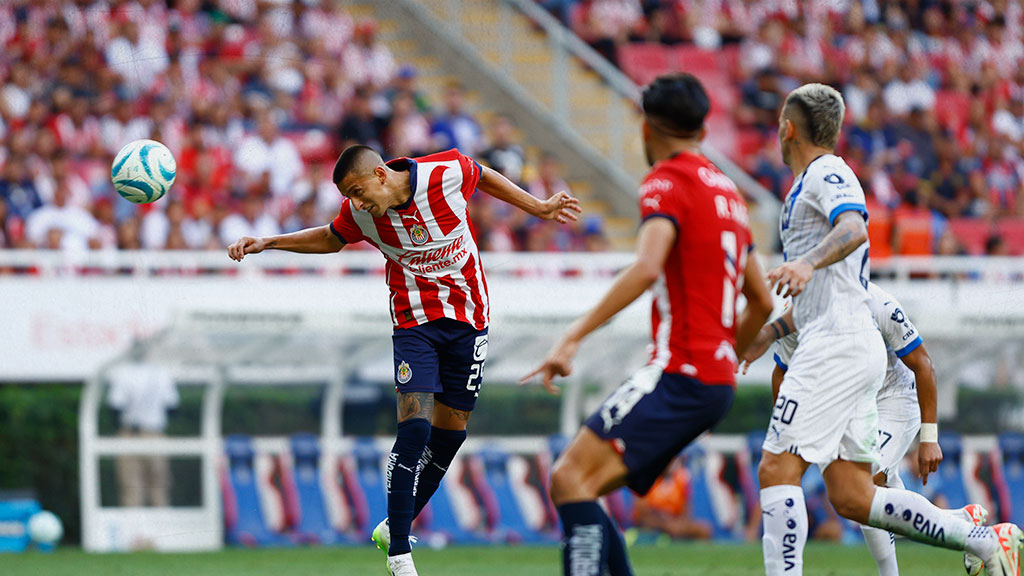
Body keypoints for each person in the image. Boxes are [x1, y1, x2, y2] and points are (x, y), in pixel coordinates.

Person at [227, 145, 580, 576]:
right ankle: (399, 554)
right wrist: (269, 242)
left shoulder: (444, 174)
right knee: (414, 427)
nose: (356, 203)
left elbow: (482, 175)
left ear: (380, 174)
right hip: (415, 325)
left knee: (450, 437)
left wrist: (539, 207)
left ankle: (390, 526)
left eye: (357, 191)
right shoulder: (361, 214)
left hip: (469, 319)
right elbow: (329, 238)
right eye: (349, 197)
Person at [756, 82, 1021, 576]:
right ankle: (980, 539)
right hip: (843, 345)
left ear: (788, 128)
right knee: (855, 495)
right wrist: (768, 334)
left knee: (776, 470)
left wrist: (807, 262)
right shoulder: (807, 184)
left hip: (836, 345)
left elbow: (855, 227)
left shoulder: (826, 172)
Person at [521, 73, 775, 576]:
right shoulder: (729, 195)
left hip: (680, 370)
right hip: (712, 380)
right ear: (702, 127)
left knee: (570, 478)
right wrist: (728, 357)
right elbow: (763, 302)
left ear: (646, 127)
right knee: (583, 487)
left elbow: (646, 267)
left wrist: (572, 335)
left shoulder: (666, 181)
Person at [741, 281, 990, 575]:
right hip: (851, 405)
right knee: (881, 509)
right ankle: (964, 524)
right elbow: (782, 372)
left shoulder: (878, 303)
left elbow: (923, 363)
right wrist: (789, 436)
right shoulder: (794, 318)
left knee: (866, 489)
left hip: (894, 398)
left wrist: (929, 438)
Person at [106, 358, 179, 508]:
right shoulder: (161, 371)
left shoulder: (124, 372)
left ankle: (139, 529)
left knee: (138, 488)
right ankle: (153, 527)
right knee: (155, 488)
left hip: (131, 434)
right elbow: (172, 407)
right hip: (153, 434)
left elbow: (115, 407)